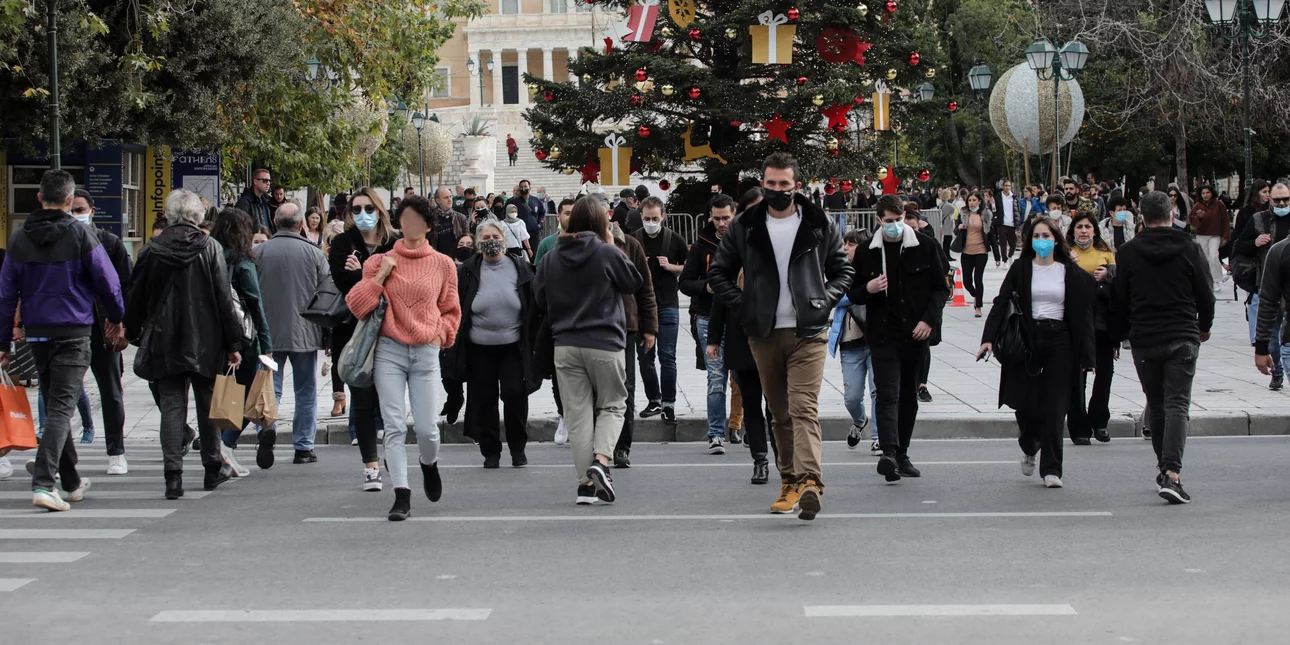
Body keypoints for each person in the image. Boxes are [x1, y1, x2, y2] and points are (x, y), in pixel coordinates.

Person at [708, 152, 854, 521]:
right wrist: (744, 306)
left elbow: (843, 271)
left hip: (808, 331)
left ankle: (810, 483)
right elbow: (719, 274)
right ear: (763, 183)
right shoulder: (745, 225)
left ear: (796, 185)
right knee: (780, 413)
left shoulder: (818, 223)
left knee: (803, 407)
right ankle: (788, 482)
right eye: (770, 184)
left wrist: (824, 302)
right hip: (764, 333)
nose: (776, 190)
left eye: (783, 184)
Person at [0, 170, 125, 511]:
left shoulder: (18, 239)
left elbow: (6, 293)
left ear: (39, 198)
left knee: (56, 399)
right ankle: (44, 481)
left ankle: (70, 482)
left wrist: (3, 344)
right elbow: (108, 282)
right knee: (60, 407)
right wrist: (116, 318)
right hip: (73, 331)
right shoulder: (81, 235)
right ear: (70, 201)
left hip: (37, 333)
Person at [346, 195, 461, 521]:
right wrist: (381, 276)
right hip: (389, 351)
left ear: (428, 225)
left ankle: (429, 463)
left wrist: (442, 334)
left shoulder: (443, 264)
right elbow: (356, 305)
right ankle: (401, 494)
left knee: (427, 430)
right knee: (394, 427)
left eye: (416, 219)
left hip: (425, 351)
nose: (409, 225)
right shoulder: (378, 261)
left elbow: (451, 310)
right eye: (404, 218)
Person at [125, 189, 241, 500]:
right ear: (197, 217)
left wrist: (133, 333)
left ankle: (172, 477)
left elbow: (135, 297)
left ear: (171, 215)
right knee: (207, 405)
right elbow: (223, 300)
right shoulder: (211, 248)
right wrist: (234, 342)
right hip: (206, 339)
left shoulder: (151, 250)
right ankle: (212, 468)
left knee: (172, 408)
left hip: (164, 338)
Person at [533, 195, 642, 505]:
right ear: (600, 223)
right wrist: (610, 243)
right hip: (604, 342)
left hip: (565, 344)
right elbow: (632, 282)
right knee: (613, 404)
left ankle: (585, 485)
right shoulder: (607, 252)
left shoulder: (552, 256)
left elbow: (539, 299)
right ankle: (602, 460)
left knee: (577, 415)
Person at [979, 217, 1095, 489]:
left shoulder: (1069, 271)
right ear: (1030, 241)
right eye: (1036, 236)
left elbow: (1083, 315)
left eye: (1046, 235)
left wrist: (1089, 357)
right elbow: (1001, 301)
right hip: (1027, 340)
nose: (1041, 240)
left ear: (1056, 239)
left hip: (1060, 341)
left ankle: (1052, 469)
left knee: (1056, 407)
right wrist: (988, 338)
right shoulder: (1021, 268)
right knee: (1026, 404)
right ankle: (1030, 443)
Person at [1116, 191, 1214, 504]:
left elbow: (1121, 299)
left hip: (1145, 339)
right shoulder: (1189, 247)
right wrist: (1204, 325)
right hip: (1182, 336)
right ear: (1172, 213)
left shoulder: (1128, 252)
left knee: (1156, 404)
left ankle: (1163, 468)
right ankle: (1172, 473)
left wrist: (1120, 335)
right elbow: (1206, 292)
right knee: (1177, 405)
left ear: (1141, 217)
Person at [847, 194, 948, 485]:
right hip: (882, 335)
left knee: (908, 396)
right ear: (879, 220)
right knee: (887, 393)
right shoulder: (866, 251)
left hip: (915, 334)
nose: (894, 226)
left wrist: (928, 320)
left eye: (899, 220)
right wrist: (868, 287)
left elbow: (940, 290)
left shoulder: (925, 246)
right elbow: (852, 292)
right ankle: (888, 453)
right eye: (888, 221)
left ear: (905, 217)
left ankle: (902, 453)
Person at [329, 188, 399, 489]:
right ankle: (371, 464)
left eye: (368, 208)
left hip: (393, 329)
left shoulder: (394, 242)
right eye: (355, 210)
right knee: (361, 397)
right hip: (355, 331)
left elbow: (402, 287)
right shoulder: (343, 244)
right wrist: (374, 277)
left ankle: (393, 456)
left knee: (391, 401)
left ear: (379, 209)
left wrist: (363, 274)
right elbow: (347, 289)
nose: (362, 215)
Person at [455, 219, 538, 469]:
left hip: (513, 347)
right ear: (478, 244)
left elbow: (533, 305)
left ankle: (517, 448)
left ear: (504, 238)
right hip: (479, 349)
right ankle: (490, 451)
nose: (491, 242)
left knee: (515, 395)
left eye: (495, 236)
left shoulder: (521, 267)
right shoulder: (468, 271)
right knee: (483, 400)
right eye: (486, 238)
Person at [255, 201, 331, 465]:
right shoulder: (315, 254)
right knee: (306, 390)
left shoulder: (258, 252)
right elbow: (327, 295)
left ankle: (266, 427)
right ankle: (303, 446)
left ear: (275, 223)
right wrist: (327, 335)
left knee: (269, 387)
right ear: (300, 224)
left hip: (267, 335)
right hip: (305, 333)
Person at [64, 190, 132, 474]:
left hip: (104, 327)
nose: (76, 214)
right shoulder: (61, 243)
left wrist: (123, 323)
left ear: (92, 211)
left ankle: (116, 451)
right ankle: (61, 458)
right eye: (72, 209)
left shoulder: (110, 243)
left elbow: (125, 285)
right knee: (62, 393)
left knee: (111, 391)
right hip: (71, 326)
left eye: (80, 209)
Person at [210, 208, 274, 475]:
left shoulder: (210, 256)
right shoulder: (243, 262)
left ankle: (221, 448)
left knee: (224, 395)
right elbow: (255, 305)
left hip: (214, 337)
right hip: (244, 339)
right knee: (249, 399)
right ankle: (225, 446)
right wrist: (266, 343)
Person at [706, 268, 775, 484]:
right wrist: (713, 340)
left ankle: (783, 459)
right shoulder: (731, 264)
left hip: (771, 347)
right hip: (742, 348)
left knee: (775, 409)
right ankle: (760, 461)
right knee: (752, 407)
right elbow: (719, 303)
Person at [679, 194, 737, 446]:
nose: (721, 223)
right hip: (707, 317)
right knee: (716, 378)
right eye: (717, 219)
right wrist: (706, 287)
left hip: (739, 317)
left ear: (734, 215)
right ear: (710, 218)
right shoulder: (701, 246)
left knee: (745, 377)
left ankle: (740, 425)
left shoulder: (744, 242)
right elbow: (685, 283)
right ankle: (716, 433)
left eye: (726, 218)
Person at [631, 196, 687, 422]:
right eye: (647, 218)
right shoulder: (633, 240)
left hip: (667, 304)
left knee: (667, 356)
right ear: (641, 217)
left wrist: (670, 266)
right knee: (644, 357)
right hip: (641, 307)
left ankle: (668, 403)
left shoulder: (674, 240)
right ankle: (654, 399)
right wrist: (638, 266)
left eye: (655, 218)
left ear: (663, 216)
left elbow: (689, 269)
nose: (651, 222)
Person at [1065, 212, 1118, 445]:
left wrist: (1108, 275)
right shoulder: (1065, 253)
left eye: (1088, 227)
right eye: (1079, 227)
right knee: (1077, 376)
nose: (1083, 231)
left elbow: (1120, 288)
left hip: (1102, 322)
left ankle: (1099, 420)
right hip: (1075, 322)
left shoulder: (1105, 254)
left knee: (1104, 372)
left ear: (1095, 230)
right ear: (1072, 231)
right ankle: (1078, 426)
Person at [609, 219, 657, 468]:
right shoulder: (581, 244)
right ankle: (600, 446)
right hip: (591, 328)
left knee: (625, 387)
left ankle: (622, 447)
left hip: (625, 326)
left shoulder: (629, 245)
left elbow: (645, 289)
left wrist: (649, 328)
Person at [1234, 183, 1290, 389]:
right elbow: (1238, 246)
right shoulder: (1259, 220)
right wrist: (1255, 242)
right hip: (1268, 282)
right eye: (1278, 200)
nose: (1282, 204)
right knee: (1272, 331)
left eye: (1286, 199)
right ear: (1270, 200)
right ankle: (1277, 372)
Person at [830, 229, 880, 456]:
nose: (845, 248)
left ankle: (879, 437)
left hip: (876, 340)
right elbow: (832, 296)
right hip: (850, 344)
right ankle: (860, 421)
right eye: (844, 244)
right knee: (851, 397)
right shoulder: (840, 272)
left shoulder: (876, 270)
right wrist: (861, 292)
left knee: (877, 391)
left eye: (850, 244)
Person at [954, 191, 993, 318]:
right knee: (967, 281)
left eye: (974, 200)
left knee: (978, 279)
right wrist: (959, 227)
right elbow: (956, 230)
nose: (971, 202)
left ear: (979, 201)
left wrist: (998, 256)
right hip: (966, 251)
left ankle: (978, 307)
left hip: (981, 251)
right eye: (970, 200)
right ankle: (976, 295)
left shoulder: (985, 214)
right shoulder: (964, 213)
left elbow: (990, 234)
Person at [1188, 185, 1230, 295]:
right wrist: (1199, 217)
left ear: (1212, 193)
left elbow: (1225, 220)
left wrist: (1225, 236)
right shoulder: (1197, 206)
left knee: (1214, 256)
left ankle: (1216, 280)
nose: (1205, 195)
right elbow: (1192, 221)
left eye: (1207, 192)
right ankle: (1206, 280)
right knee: (1204, 258)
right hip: (1202, 235)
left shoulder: (1219, 205)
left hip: (1215, 235)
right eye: (1203, 193)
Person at [431, 187, 470, 257]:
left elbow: (467, 238)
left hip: (456, 258)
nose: (450, 200)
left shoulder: (461, 218)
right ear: (438, 200)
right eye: (446, 198)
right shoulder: (431, 218)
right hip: (437, 257)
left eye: (450, 197)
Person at [535, 198, 575, 266]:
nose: (571, 217)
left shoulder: (585, 242)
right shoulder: (545, 244)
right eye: (567, 213)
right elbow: (537, 271)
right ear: (558, 217)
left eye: (574, 213)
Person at [235, 168, 275, 232]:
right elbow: (240, 228)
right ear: (255, 182)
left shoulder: (266, 201)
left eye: (269, 181)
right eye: (265, 180)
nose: (268, 183)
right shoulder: (245, 202)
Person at [996, 180, 1020, 261]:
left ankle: (1010, 256)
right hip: (1002, 224)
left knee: (1013, 244)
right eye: (1006, 185)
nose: (1007, 187)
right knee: (1003, 244)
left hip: (1012, 224)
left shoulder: (1014, 198)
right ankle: (1004, 260)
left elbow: (1018, 210)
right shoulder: (998, 197)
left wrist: (1017, 221)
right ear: (1003, 187)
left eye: (1009, 186)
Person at [936, 188, 957, 259]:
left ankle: (947, 255)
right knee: (948, 241)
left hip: (945, 224)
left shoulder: (941, 204)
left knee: (946, 241)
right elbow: (956, 209)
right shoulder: (948, 205)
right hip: (948, 224)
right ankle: (947, 255)